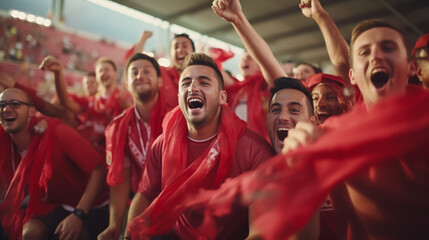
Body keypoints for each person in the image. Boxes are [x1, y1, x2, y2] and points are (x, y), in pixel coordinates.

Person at [124, 53, 274, 239]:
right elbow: (145, 195)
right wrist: (127, 235)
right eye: (186, 83)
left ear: (222, 97)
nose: (193, 88)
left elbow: (259, 230)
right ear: (179, 96)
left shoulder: (254, 149)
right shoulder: (162, 144)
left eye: (204, 83)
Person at [0, 88, 109, 240]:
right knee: (30, 233)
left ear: (32, 111)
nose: (6, 109)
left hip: (94, 205)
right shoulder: (5, 142)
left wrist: (78, 214)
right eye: (2, 104)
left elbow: (99, 170)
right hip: (57, 204)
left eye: (15, 104)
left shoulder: (58, 132)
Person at [98, 53, 174, 240]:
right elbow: (120, 179)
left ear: (159, 81)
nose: (140, 75)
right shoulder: (117, 127)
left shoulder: (177, 118)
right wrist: (114, 225)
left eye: (147, 71)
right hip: (142, 204)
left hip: (178, 207)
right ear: (126, 85)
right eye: (134, 72)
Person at [40, 56, 131, 154]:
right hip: (90, 157)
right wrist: (58, 73)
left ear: (115, 74)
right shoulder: (90, 101)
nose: (103, 73)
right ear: (97, 76)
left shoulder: (124, 98)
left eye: (107, 69)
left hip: (116, 157)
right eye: (100, 71)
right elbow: (65, 102)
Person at [138, 32, 196, 107]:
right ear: (170, 54)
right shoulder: (160, 73)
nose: (180, 50)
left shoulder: (199, 79)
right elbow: (137, 64)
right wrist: (143, 38)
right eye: (176, 47)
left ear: (193, 52)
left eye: (184, 46)